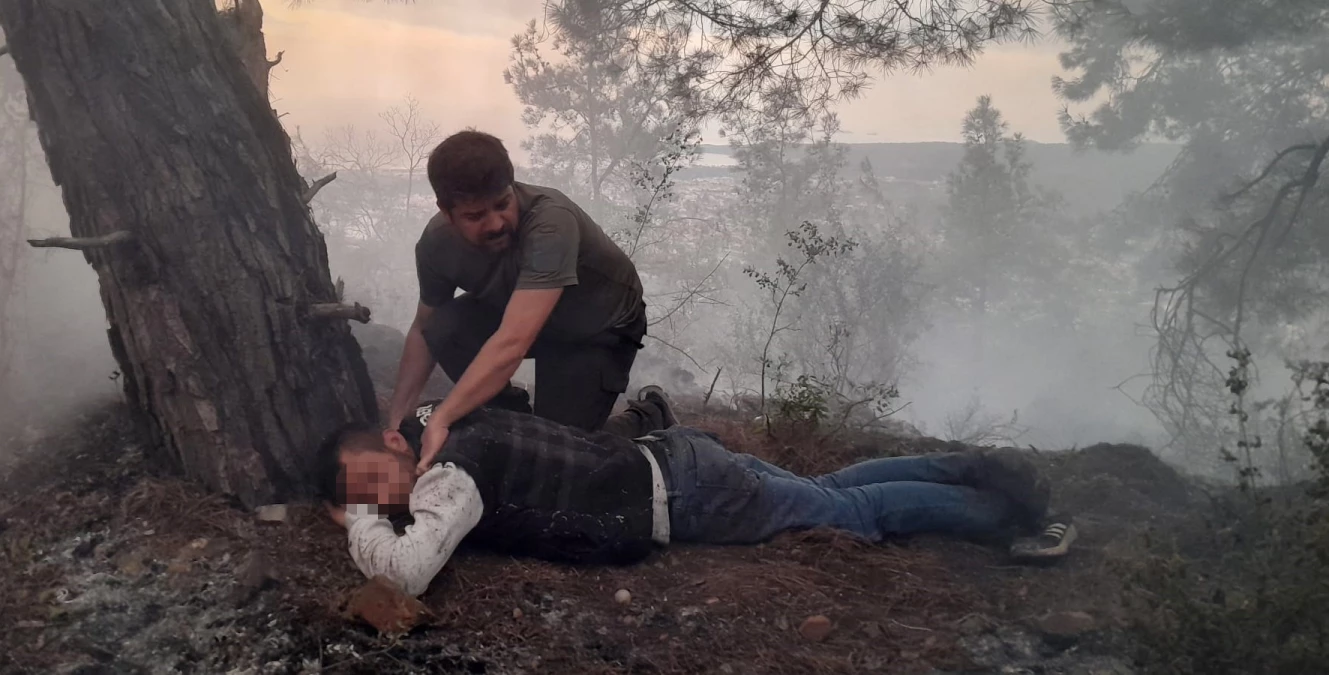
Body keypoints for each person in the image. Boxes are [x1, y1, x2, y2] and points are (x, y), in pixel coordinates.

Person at [319, 390, 1075, 597]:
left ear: (392, 447)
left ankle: (1003, 507)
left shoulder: (450, 476)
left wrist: (355, 516)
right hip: (680, 457)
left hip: (687, 494)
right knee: (828, 487)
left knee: (855, 513)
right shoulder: (441, 419)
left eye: (375, 485)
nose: (386, 501)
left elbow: (407, 571)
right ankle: (966, 464)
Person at [384, 129, 652, 470]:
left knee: (559, 457)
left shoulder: (550, 223)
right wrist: (396, 421)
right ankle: (512, 421)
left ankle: (647, 416)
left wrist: (442, 419)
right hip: (524, 318)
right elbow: (423, 329)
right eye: (475, 216)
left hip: (597, 330)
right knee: (444, 325)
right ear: (447, 213)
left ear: (513, 187)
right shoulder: (437, 245)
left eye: (502, 204)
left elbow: (513, 342)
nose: (495, 223)